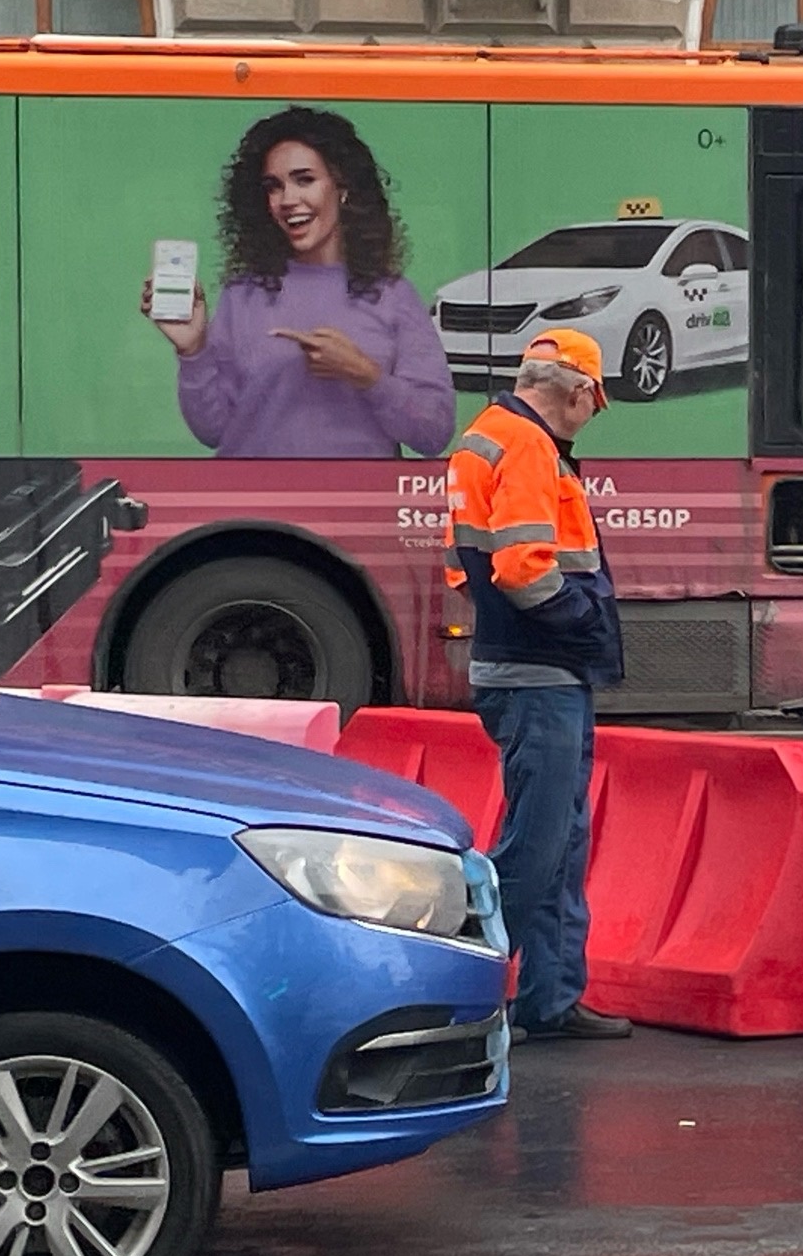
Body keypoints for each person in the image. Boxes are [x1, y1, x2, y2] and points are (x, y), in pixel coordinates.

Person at [446, 329, 632, 1042]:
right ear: (578, 391)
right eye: (594, 403)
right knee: (538, 845)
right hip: (540, 671)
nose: (590, 417)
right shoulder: (527, 445)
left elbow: (464, 570)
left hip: (518, 668)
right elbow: (526, 569)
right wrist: (585, 624)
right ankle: (465, 995)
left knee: (562, 842)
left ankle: (551, 999)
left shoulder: (480, 438)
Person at [144, 105, 454, 460]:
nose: (288, 200)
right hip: (255, 507)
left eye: (304, 179)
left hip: (359, 507)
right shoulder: (243, 295)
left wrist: (365, 374)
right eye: (274, 187)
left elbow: (434, 432)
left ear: (343, 188)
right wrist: (192, 351)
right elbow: (213, 430)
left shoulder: (393, 296)